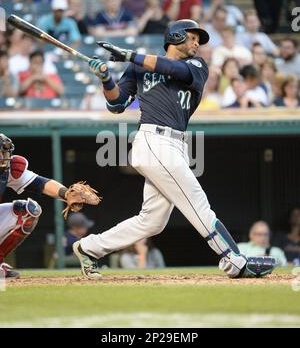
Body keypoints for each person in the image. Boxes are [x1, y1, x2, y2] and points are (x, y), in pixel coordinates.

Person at [72, 19, 275, 280]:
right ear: (176, 36)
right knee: (198, 204)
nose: (196, 43)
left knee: (152, 221)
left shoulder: (198, 66)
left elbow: (173, 69)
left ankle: (88, 248)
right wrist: (106, 79)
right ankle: (234, 261)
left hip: (175, 144)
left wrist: (131, 55)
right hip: (153, 140)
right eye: (192, 37)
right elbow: (117, 104)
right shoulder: (138, 67)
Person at [0, 134, 94, 278]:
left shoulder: (7, 170)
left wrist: (67, 194)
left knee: (29, 211)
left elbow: (40, 183)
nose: (3, 156)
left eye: (4, 152)